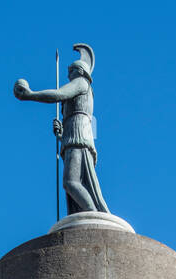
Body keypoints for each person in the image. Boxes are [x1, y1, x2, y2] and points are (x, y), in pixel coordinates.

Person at [13, 43, 109, 214]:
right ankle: (90, 212)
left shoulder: (81, 82)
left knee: (70, 182)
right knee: (73, 181)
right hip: (75, 133)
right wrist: (61, 134)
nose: (68, 75)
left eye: (71, 70)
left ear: (81, 71)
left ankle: (91, 213)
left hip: (78, 134)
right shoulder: (83, 89)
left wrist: (30, 95)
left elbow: (59, 94)